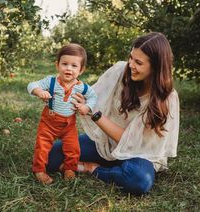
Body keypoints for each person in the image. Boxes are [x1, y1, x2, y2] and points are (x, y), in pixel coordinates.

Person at [46, 33, 180, 196]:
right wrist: (61, 94)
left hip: (137, 155)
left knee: (138, 179)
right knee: (50, 156)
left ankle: (93, 168)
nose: (131, 65)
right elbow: (91, 96)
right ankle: (113, 168)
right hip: (106, 143)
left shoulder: (166, 99)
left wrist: (95, 114)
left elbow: (130, 141)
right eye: (131, 57)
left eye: (138, 62)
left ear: (156, 67)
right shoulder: (120, 71)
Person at [28, 43, 98, 185]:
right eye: (64, 64)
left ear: (81, 70)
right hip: (49, 121)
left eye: (74, 66)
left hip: (69, 124)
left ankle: (70, 169)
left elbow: (93, 97)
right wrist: (39, 91)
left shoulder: (82, 87)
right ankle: (39, 170)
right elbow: (31, 85)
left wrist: (87, 106)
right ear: (57, 65)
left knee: (73, 147)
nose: (68, 68)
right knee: (42, 145)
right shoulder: (51, 81)